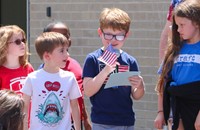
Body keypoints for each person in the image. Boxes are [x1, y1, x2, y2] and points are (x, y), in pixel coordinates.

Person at [82, 7, 145, 130]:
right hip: (102, 121)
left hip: (125, 121)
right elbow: (88, 91)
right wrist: (106, 70)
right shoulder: (93, 59)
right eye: (108, 35)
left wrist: (140, 85)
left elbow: (136, 95)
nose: (113, 40)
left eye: (119, 36)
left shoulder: (130, 61)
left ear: (126, 35)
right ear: (100, 33)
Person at [20, 32, 82, 130]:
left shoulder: (69, 77)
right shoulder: (32, 78)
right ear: (47, 56)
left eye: (67, 50)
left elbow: (74, 106)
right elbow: (25, 107)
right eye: (62, 51)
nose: (67, 54)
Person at [155, 0, 200, 130]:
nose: (178, 29)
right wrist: (161, 112)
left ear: (197, 23)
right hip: (178, 109)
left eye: (182, 25)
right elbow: (164, 81)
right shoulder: (174, 50)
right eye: (176, 25)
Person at [41, 21, 91, 130]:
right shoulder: (45, 73)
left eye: (66, 35)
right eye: (58, 35)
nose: (63, 39)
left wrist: (85, 118)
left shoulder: (75, 65)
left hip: (75, 122)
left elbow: (78, 96)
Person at [0, 25, 34, 95]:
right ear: (4, 45)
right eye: (17, 41)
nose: (23, 44)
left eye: (23, 40)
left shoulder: (28, 68)